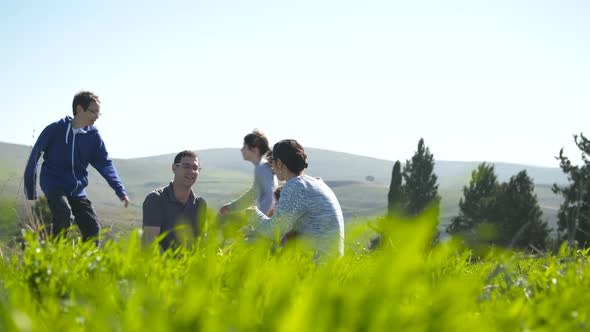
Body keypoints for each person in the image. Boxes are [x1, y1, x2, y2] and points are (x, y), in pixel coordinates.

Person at [24, 91, 129, 243]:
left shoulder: (93, 136)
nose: (96, 116)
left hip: (77, 189)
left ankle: (87, 263)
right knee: (64, 215)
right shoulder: (55, 129)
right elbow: (34, 157)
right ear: (79, 109)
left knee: (92, 229)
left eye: (99, 113)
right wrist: (30, 190)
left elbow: (105, 163)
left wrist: (120, 190)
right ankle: (51, 252)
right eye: (93, 111)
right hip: (54, 184)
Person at [248, 139, 345, 259]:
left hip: (315, 264)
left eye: (271, 161)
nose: (271, 167)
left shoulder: (295, 186)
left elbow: (273, 232)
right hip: (329, 262)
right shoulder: (317, 183)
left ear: (279, 163)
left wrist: (252, 214)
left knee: (248, 243)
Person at [142, 150, 207, 251]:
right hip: (160, 265)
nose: (191, 171)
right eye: (186, 166)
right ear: (174, 168)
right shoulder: (156, 199)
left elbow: (199, 243)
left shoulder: (200, 204)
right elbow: (150, 243)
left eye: (195, 168)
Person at [219, 130, 277, 216]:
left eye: (244, 146)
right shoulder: (262, 166)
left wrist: (261, 221)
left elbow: (269, 197)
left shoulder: (261, 168)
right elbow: (252, 194)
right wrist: (231, 207)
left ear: (255, 149)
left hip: (268, 220)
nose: (241, 149)